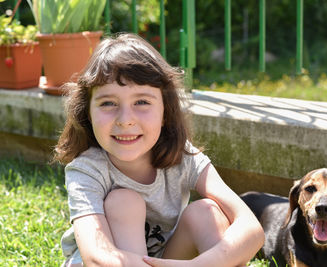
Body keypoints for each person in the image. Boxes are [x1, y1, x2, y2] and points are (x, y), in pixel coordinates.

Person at [55, 33, 264, 267]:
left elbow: (252, 229)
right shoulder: (87, 170)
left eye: (142, 102)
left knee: (206, 212)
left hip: (166, 261)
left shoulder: (185, 157)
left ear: (166, 111)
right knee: (123, 201)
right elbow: (96, 257)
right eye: (108, 103)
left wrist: (199, 265)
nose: (125, 120)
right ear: (87, 113)